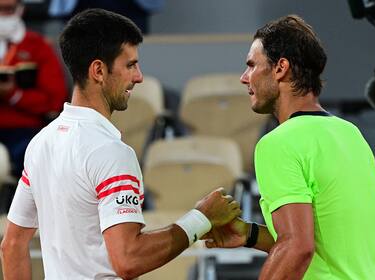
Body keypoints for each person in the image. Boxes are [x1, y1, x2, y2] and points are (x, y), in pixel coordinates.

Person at [0, 8, 240, 279]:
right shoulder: (111, 152)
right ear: (99, 71)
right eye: (130, 65)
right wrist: (200, 219)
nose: (138, 76)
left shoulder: (41, 142)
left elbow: (12, 245)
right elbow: (128, 259)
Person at [204, 15, 375, 279]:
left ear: (280, 68)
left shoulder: (279, 143)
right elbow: (324, 242)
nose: (244, 78)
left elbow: (298, 247)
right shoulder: (351, 134)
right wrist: (249, 234)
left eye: (251, 65)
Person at [0, 0, 67, 211]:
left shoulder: (37, 46)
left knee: (35, 158)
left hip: (25, 130)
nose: (3, 15)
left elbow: (54, 99)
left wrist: (15, 95)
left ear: (20, 9)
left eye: (8, 9)